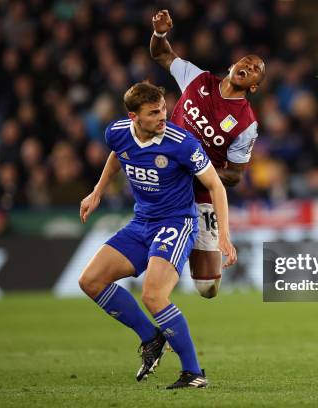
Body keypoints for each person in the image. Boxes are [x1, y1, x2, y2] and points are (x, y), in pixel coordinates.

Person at [78, 82, 236, 389]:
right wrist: (97, 191)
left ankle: (193, 372)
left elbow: (216, 185)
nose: (163, 116)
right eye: (153, 113)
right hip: (141, 223)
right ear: (134, 116)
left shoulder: (181, 143)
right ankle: (151, 338)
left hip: (176, 223)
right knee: (90, 281)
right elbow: (117, 155)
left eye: (163, 108)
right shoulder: (117, 132)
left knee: (153, 295)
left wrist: (224, 235)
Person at [150, 9, 265, 298]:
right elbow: (161, 55)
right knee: (153, 260)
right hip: (164, 178)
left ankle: (185, 244)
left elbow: (236, 176)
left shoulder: (246, 124)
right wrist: (160, 33)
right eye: (247, 62)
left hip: (202, 196)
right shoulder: (197, 80)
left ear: (253, 86)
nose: (249, 66)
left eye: (255, 70)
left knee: (207, 287)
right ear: (232, 65)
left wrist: (200, 171)